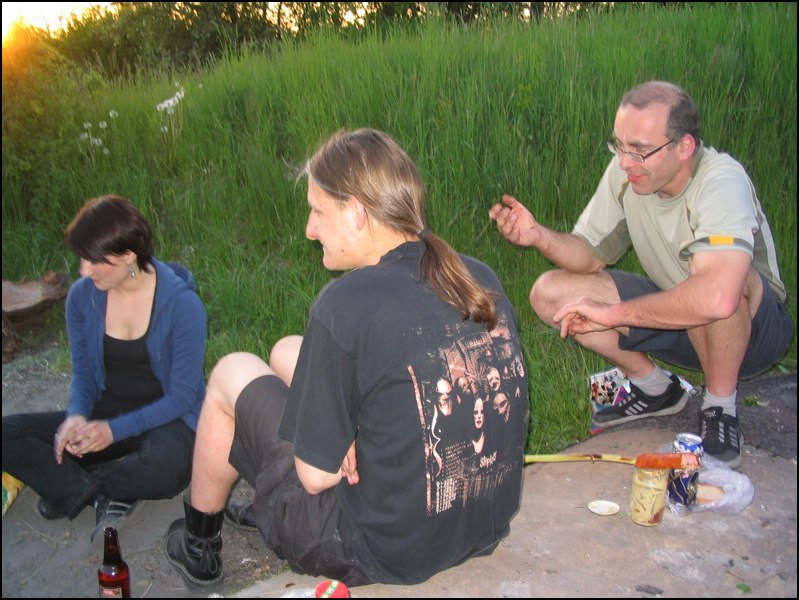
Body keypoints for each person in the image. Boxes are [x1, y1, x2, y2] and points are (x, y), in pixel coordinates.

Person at [165, 128, 529, 589]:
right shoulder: (474, 275)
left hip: (374, 548)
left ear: (356, 212)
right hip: (478, 526)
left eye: (318, 211)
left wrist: (335, 446)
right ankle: (271, 494)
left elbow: (317, 478)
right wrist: (348, 432)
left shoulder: (346, 303)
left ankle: (199, 545)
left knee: (230, 371)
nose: (309, 229)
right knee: (285, 350)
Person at [490, 80, 793, 468]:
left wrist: (613, 315)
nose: (624, 162)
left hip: (752, 332)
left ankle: (719, 407)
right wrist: (539, 236)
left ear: (684, 147)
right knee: (550, 292)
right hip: (680, 318)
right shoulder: (628, 175)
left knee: (725, 281)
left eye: (639, 150)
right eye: (618, 145)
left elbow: (718, 298)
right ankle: (656, 390)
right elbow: (588, 254)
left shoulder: (721, 180)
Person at [2, 195, 207, 543]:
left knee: (169, 466)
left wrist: (113, 432)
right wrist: (76, 416)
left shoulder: (182, 305)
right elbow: (83, 374)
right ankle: (99, 492)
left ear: (128, 255)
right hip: (104, 411)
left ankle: (81, 484)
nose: (84, 271)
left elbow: (184, 396)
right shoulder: (82, 297)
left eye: (95, 260)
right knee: (7, 433)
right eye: (82, 259)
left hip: (166, 418)